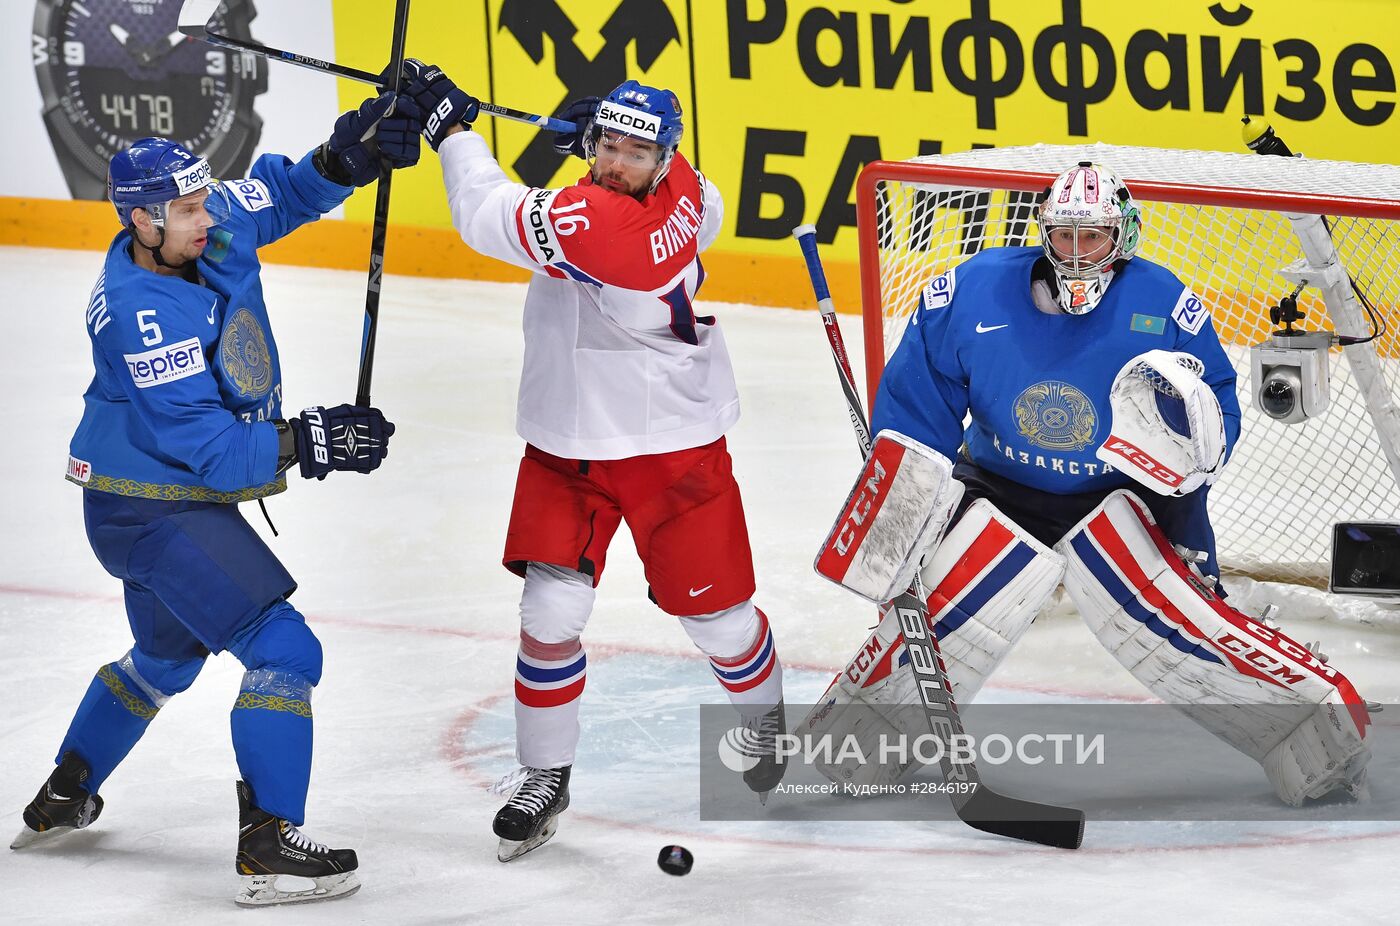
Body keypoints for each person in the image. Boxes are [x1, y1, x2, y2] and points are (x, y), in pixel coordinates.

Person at [807, 161, 1373, 805]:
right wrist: (905, 514)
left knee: (1178, 633)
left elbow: (1211, 416)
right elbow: (916, 409)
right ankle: (849, 753)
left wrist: (1181, 480)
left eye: (1094, 237)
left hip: (1116, 499)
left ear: (1122, 235)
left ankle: (1318, 729)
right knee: (944, 622)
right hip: (998, 487)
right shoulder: (972, 291)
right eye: (1066, 236)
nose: (1077, 254)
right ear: (1043, 232)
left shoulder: (1163, 304)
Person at [10, 92, 416, 906]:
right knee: (285, 650)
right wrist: (314, 440)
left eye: (203, 200)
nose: (207, 219)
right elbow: (218, 455)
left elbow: (286, 195)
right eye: (187, 210)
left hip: (134, 505)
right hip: (156, 509)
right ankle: (268, 844)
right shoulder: (140, 315)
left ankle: (65, 791)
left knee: (164, 658)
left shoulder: (203, 217)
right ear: (141, 224)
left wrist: (350, 156)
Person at [395, 61, 787, 860]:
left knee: (719, 622)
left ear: (664, 158)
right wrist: (598, 141)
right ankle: (544, 774)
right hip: (569, 443)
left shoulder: (606, 230)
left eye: (631, 154)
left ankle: (768, 726)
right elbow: (602, 187)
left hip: (669, 449)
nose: (613, 161)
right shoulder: (694, 192)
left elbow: (483, 212)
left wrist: (453, 128)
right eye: (606, 144)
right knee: (549, 615)